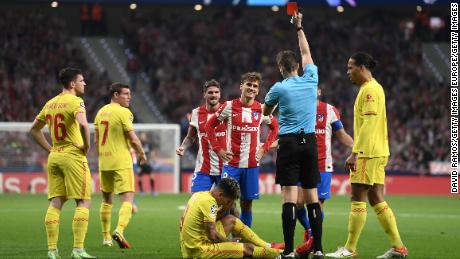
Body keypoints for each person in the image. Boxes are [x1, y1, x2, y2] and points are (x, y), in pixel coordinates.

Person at [325, 53, 408, 258]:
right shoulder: (373, 88)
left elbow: (369, 126)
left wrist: (356, 153)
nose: (348, 72)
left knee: (357, 197)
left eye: (350, 67)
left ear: (362, 67)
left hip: (368, 153)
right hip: (378, 151)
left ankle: (349, 249)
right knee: (376, 198)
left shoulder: (370, 90)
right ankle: (398, 247)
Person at [263, 12, 324, 259]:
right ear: (297, 66)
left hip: (287, 143)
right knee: (312, 197)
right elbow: (307, 53)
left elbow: (266, 112)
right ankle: (318, 248)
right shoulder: (311, 79)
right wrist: (299, 28)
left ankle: (288, 251)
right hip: (309, 142)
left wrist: (272, 110)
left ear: (280, 69)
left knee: (288, 197)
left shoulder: (278, 88)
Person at [29, 67, 96, 259]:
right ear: (73, 83)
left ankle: (52, 250)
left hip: (55, 157)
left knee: (56, 203)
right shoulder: (76, 101)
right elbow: (84, 124)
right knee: (83, 201)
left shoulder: (50, 103)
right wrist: (85, 147)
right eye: (82, 80)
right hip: (72, 156)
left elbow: (33, 130)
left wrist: (50, 149)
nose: (85, 84)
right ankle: (78, 250)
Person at [205, 72, 278, 228]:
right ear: (241, 87)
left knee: (247, 204)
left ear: (258, 91)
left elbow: (275, 127)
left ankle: (244, 240)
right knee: (223, 202)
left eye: (255, 86)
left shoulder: (261, 109)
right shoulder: (229, 106)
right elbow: (209, 126)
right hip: (231, 164)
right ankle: (215, 236)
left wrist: (264, 148)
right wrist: (218, 149)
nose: (251, 88)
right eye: (248, 84)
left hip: (251, 165)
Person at [294, 87, 354, 256]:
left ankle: (314, 242)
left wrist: (356, 147)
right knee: (297, 204)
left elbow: (341, 134)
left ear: (319, 91)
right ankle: (309, 229)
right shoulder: (298, 109)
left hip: (322, 165)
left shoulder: (329, 110)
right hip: (301, 164)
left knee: (316, 206)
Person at [94, 83, 147, 249]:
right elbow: (133, 138)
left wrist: (102, 155)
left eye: (129, 94)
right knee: (128, 199)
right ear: (115, 95)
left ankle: (106, 238)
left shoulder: (100, 112)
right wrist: (141, 154)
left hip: (104, 162)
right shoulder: (124, 112)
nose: (129, 97)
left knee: (106, 200)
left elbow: (96, 140)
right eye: (125, 94)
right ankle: (119, 230)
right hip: (121, 161)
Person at [179, 177, 281, 259]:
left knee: (231, 220)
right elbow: (213, 236)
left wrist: (226, 205)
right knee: (247, 248)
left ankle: (267, 246)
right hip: (199, 251)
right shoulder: (209, 203)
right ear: (220, 194)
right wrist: (231, 243)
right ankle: (280, 254)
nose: (228, 204)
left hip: (191, 244)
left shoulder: (201, 195)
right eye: (228, 201)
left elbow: (209, 224)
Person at [176, 79, 227, 193]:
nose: (213, 95)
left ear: (220, 94)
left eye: (216, 92)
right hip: (203, 169)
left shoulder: (227, 111)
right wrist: (183, 147)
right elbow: (190, 137)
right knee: (196, 201)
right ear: (204, 94)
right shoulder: (196, 113)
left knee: (226, 208)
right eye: (210, 92)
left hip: (225, 168)